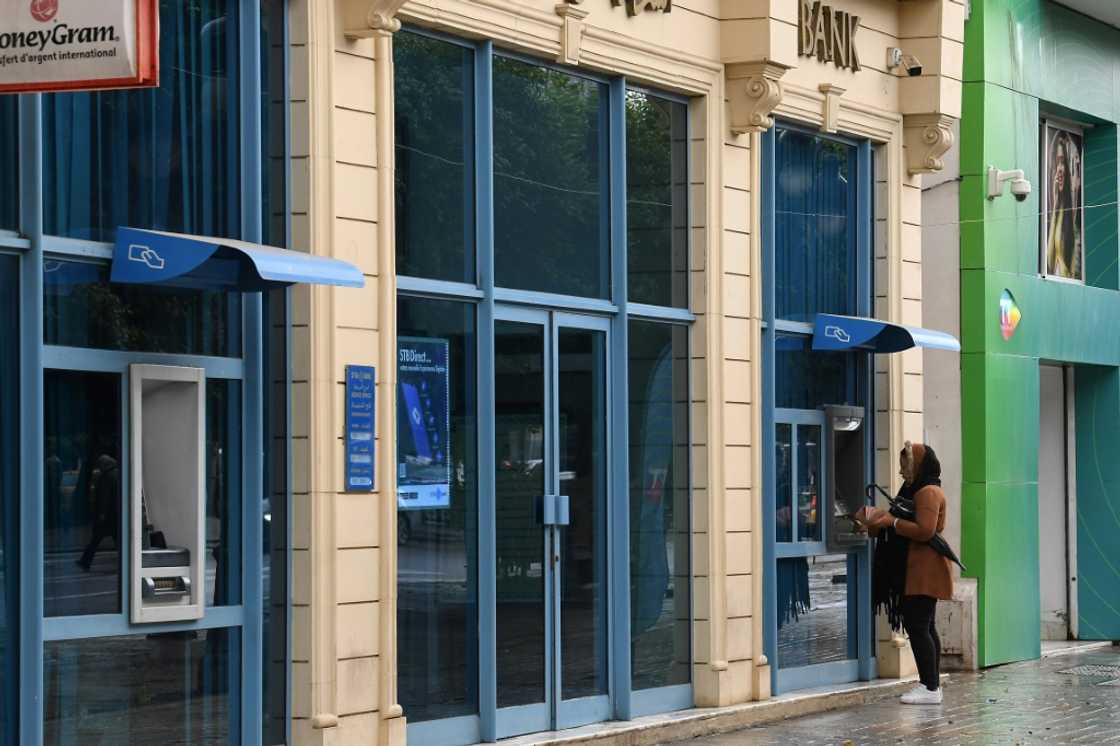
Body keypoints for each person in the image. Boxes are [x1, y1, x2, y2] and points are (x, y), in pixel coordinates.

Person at [856, 442, 952, 705]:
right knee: (924, 625)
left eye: (905, 466)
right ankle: (931, 685)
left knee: (918, 626)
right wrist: (876, 521)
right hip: (916, 568)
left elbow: (925, 530)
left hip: (924, 569)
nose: (901, 472)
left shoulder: (928, 492)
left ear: (918, 466)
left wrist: (891, 522)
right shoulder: (915, 490)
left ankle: (929, 687)